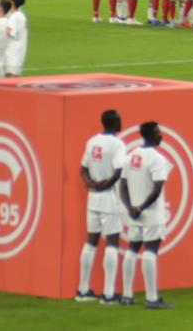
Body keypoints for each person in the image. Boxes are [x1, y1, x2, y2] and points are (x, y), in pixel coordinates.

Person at [75, 109, 126, 304]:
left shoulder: (92, 141)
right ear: (114, 123)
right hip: (109, 199)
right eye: (119, 120)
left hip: (93, 198)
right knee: (112, 243)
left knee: (91, 242)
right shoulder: (117, 144)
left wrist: (90, 183)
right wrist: (108, 183)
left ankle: (82, 290)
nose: (121, 123)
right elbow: (119, 170)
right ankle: (109, 294)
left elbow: (83, 169)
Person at [119, 121, 171, 309]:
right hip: (151, 214)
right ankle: (151, 298)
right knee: (150, 252)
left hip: (134, 215)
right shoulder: (157, 159)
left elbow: (122, 185)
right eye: (158, 132)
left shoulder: (131, 156)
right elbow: (157, 189)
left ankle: (126, 296)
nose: (161, 135)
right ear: (150, 135)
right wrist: (140, 208)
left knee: (132, 249)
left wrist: (130, 208)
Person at [4, 0, 28, 77]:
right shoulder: (21, 15)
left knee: (9, 86)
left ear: (12, 3)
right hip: (18, 56)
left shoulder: (14, 17)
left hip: (12, 57)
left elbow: (8, 35)